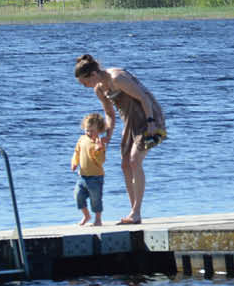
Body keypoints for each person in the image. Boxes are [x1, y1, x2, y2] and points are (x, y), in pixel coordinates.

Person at [74, 53, 166, 225]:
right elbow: (110, 114)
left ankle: (136, 213)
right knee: (125, 165)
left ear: (93, 74)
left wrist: (151, 122)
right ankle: (134, 212)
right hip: (129, 123)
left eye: (85, 82)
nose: (85, 86)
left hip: (148, 118)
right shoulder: (99, 89)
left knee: (134, 160)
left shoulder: (117, 78)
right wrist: (107, 136)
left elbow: (144, 98)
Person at [71, 112, 107, 226]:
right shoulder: (82, 139)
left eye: (92, 131)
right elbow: (77, 152)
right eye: (87, 130)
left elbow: (101, 161)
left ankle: (98, 219)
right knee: (78, 196)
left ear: (99, 130)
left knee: (95, 199)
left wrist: (98, 150)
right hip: (82, 176)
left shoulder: (99, 143)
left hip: (96, 177)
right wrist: (74, 162)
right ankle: (86, 215)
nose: (89, 133)